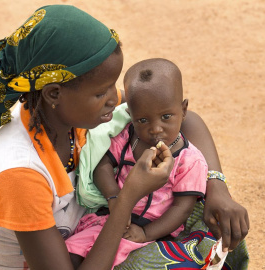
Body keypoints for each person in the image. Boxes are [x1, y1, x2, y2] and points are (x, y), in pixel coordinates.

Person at [0, 4, 249, 270]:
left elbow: (188, 119)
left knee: (215, 217)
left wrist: (217, 186)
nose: (113, 99)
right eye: (101, 92)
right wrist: (126, 198)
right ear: (54, 93)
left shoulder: (67, 113)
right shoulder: (20, 174)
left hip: (101, 228)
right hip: (85, 250)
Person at [65, 58, 208, 268]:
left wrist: (145, 233)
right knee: (70, 254)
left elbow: (181, 208)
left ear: (184, 109)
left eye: (166, 116)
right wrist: (114, 197)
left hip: (153, 232)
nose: (156, 128)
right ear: (130, 115)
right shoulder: (127, 138)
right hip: (110, 220)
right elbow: (102, 166)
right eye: (143, 120)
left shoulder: (190, 160)